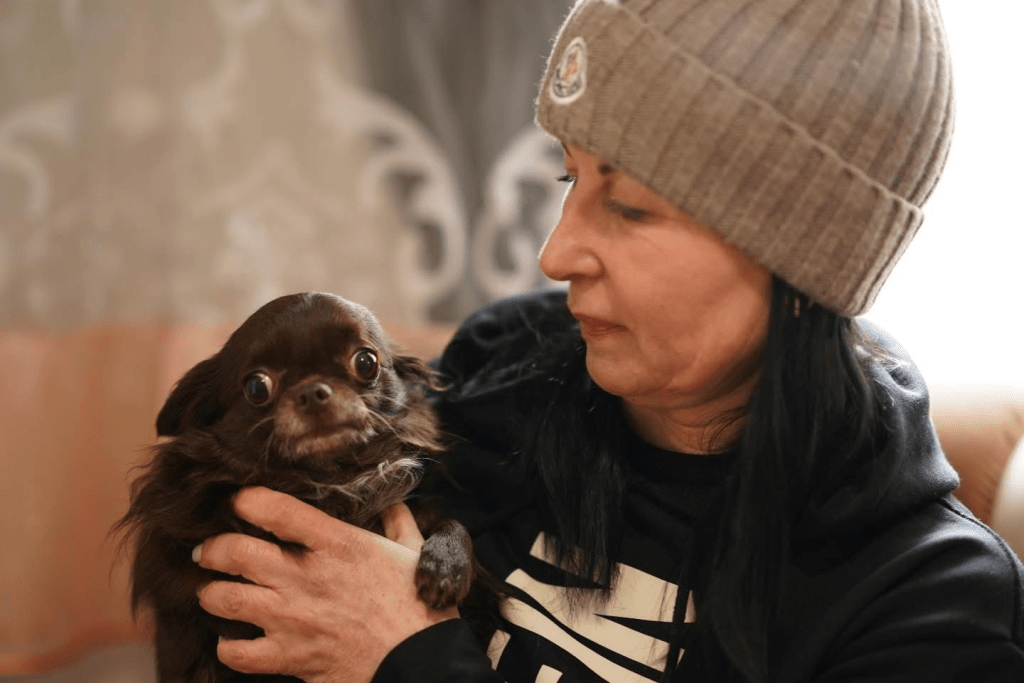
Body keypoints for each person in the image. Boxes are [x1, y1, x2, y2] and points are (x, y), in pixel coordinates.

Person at [190, 0, 1024, 681]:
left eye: (628, 206)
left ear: (807, 257)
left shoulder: (931, 606)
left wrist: (410, 657)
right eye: (570, 175)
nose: (556, 254)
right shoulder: (494, 376)